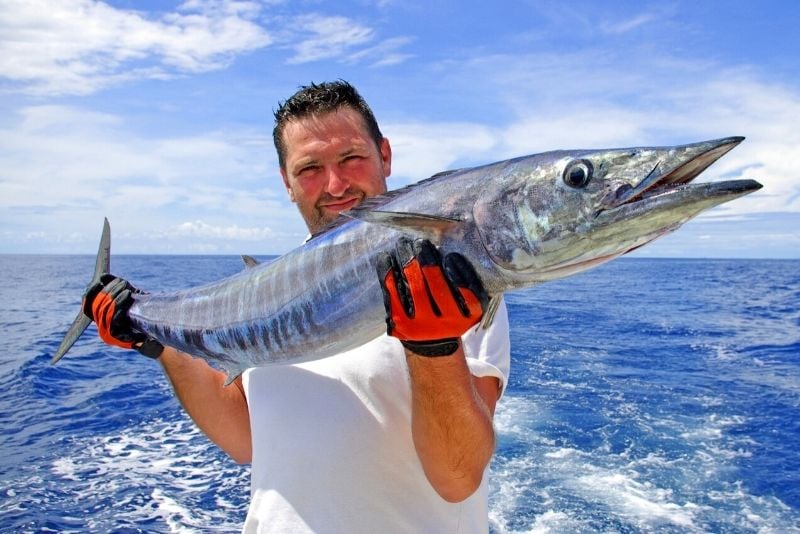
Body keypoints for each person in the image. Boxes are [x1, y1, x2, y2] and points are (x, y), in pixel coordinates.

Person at [84, 80, 511, 533]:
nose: (335, 184)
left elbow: (458, 477)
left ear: (385, 155)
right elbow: (244, 439)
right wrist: (156, 343)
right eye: (309, 168)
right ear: (287, 183)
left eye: (352, 158)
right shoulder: (266, 295)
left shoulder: (457, 284)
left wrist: (434, 348)